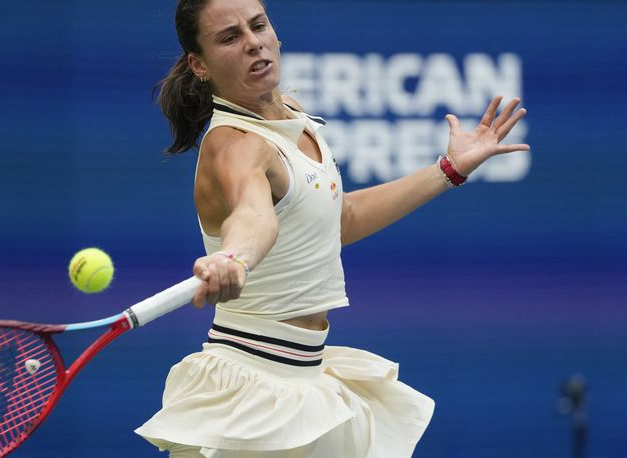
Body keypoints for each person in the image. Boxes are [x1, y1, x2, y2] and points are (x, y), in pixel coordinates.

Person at [135, 0, 529, 456]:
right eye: (230, 37)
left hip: (305, 376)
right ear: (199, 65)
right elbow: (253, 215)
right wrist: (234, 257)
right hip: (251, 392)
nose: (253, 43)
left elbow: (340, 220)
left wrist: (448, 170)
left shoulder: (294, 116)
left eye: (258, 25)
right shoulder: (235, 145)